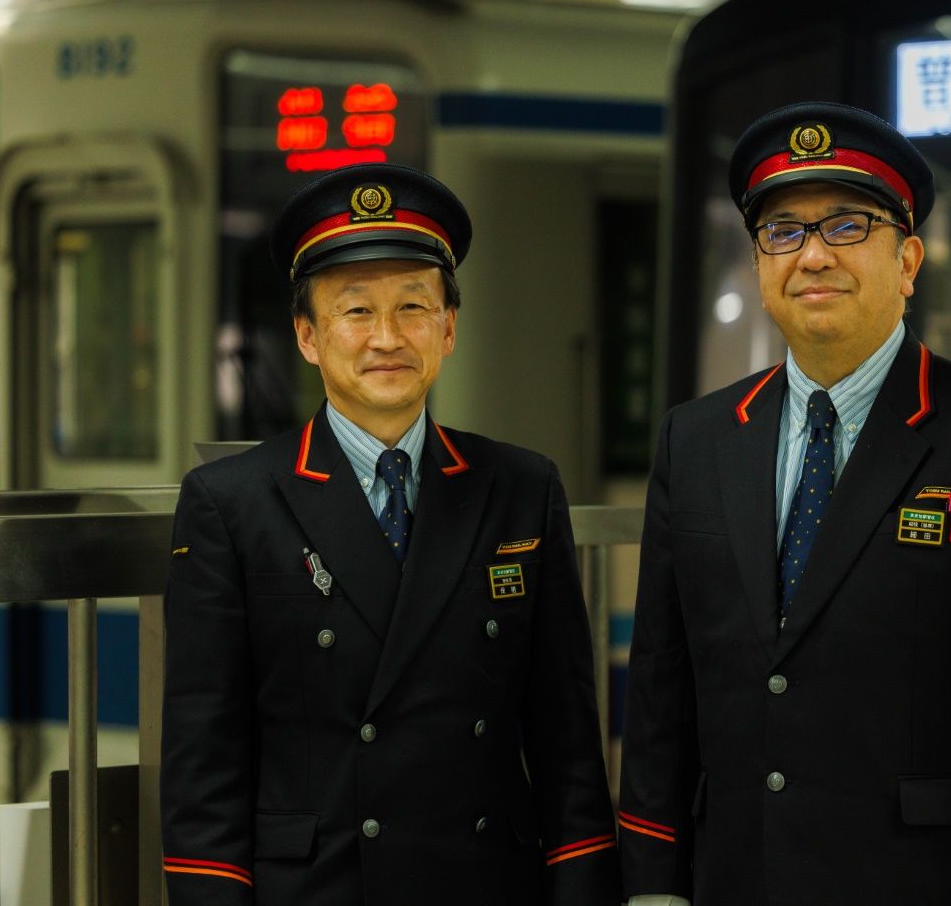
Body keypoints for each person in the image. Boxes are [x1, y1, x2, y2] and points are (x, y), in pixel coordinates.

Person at [618, 102, 951, 905]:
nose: (811, 255)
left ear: (907, 261)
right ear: (760, 263)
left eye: (846, 226)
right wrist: (653, 886)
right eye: (783, 231)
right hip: (735, 878)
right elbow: (662, 695)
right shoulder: (695, 441)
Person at [161, 164, 620, 905]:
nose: (386, 338)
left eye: (412, 306)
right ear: (308, 336)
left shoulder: (520, 489)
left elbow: (565, 738)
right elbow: (204, 758)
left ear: (448, 328)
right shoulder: (233, 502)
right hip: (319, 889)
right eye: (354, 312)